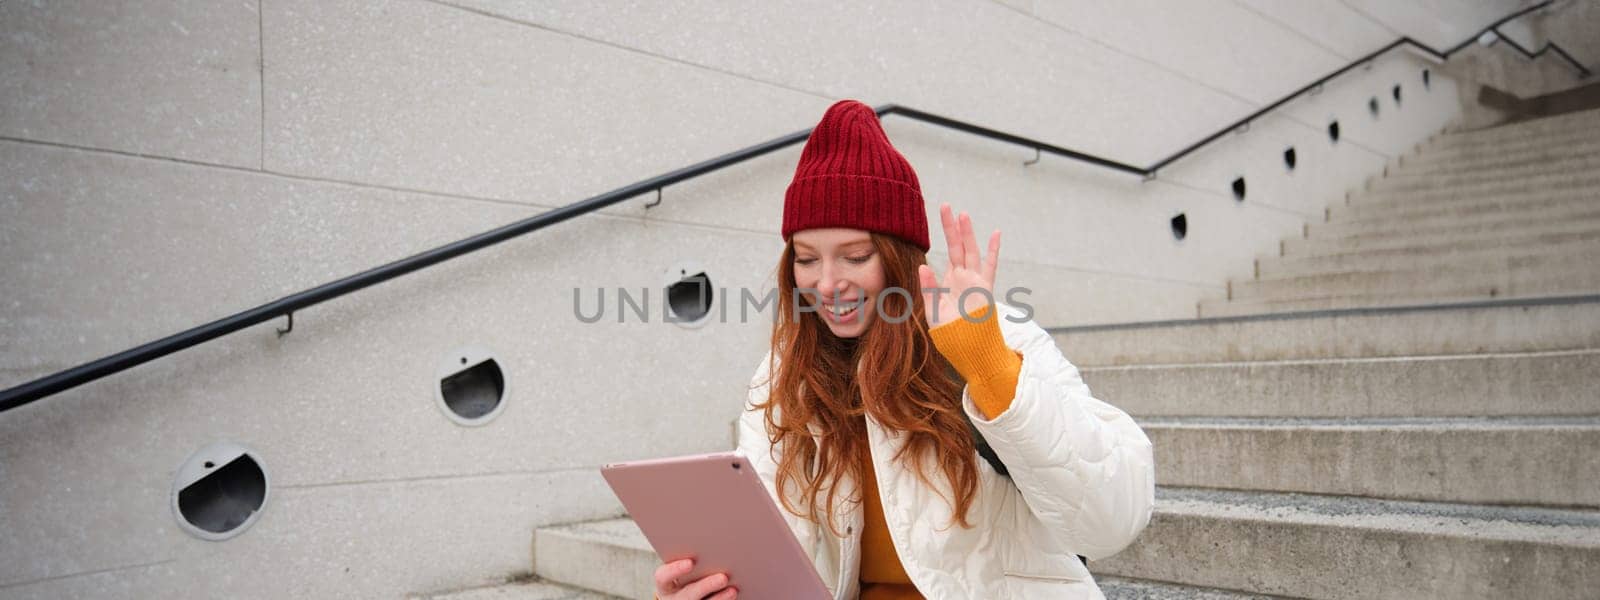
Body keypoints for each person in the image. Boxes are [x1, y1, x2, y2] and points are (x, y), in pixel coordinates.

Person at [653, 100, 1154, 600]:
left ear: (899, 257)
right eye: (806, 260)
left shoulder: (991, 338)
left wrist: (991, 369)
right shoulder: (785, 373)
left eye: (855, 256)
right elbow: (774, 548)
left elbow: (1113, 519)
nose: (827, 284)